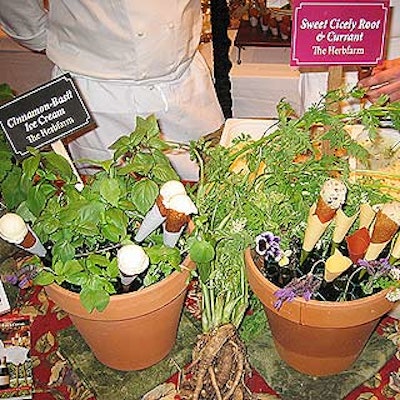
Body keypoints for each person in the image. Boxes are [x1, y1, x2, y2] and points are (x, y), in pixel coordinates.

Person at [0, 1, 225, 181]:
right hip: (100, 96)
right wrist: (48, 38)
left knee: (212, 188)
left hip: (186, 84)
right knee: (115, 215)